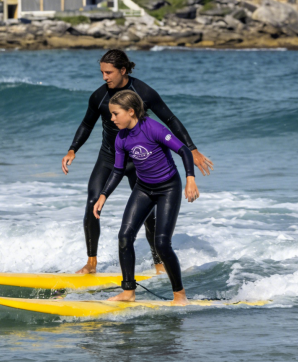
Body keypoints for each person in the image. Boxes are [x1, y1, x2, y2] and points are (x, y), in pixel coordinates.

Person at [61, 50, 212, 275]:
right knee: (93, 200)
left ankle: (158, 261)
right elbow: (86, 124)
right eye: (102, 72)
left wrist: (192, 148)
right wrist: (73, 149)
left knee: (147, 211)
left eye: (109, 72)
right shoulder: (99, 96)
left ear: (123, 70)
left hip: (139, 160)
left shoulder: (143, 92)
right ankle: (91, 262)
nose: (104, 77)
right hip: (109, 157)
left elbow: (170, 119)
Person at [92, 91, 198, 305]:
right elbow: (118, 170)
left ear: (130, 111)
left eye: (115, 113)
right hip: (143, 188)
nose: (112, 118)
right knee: (124, 237)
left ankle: (179, 294)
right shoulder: (121, 137)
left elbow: (184, 151)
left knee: (162, 243)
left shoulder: (153, 128)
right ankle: (128, 292)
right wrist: (103, 195)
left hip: (168, 188)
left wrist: (190, 179)